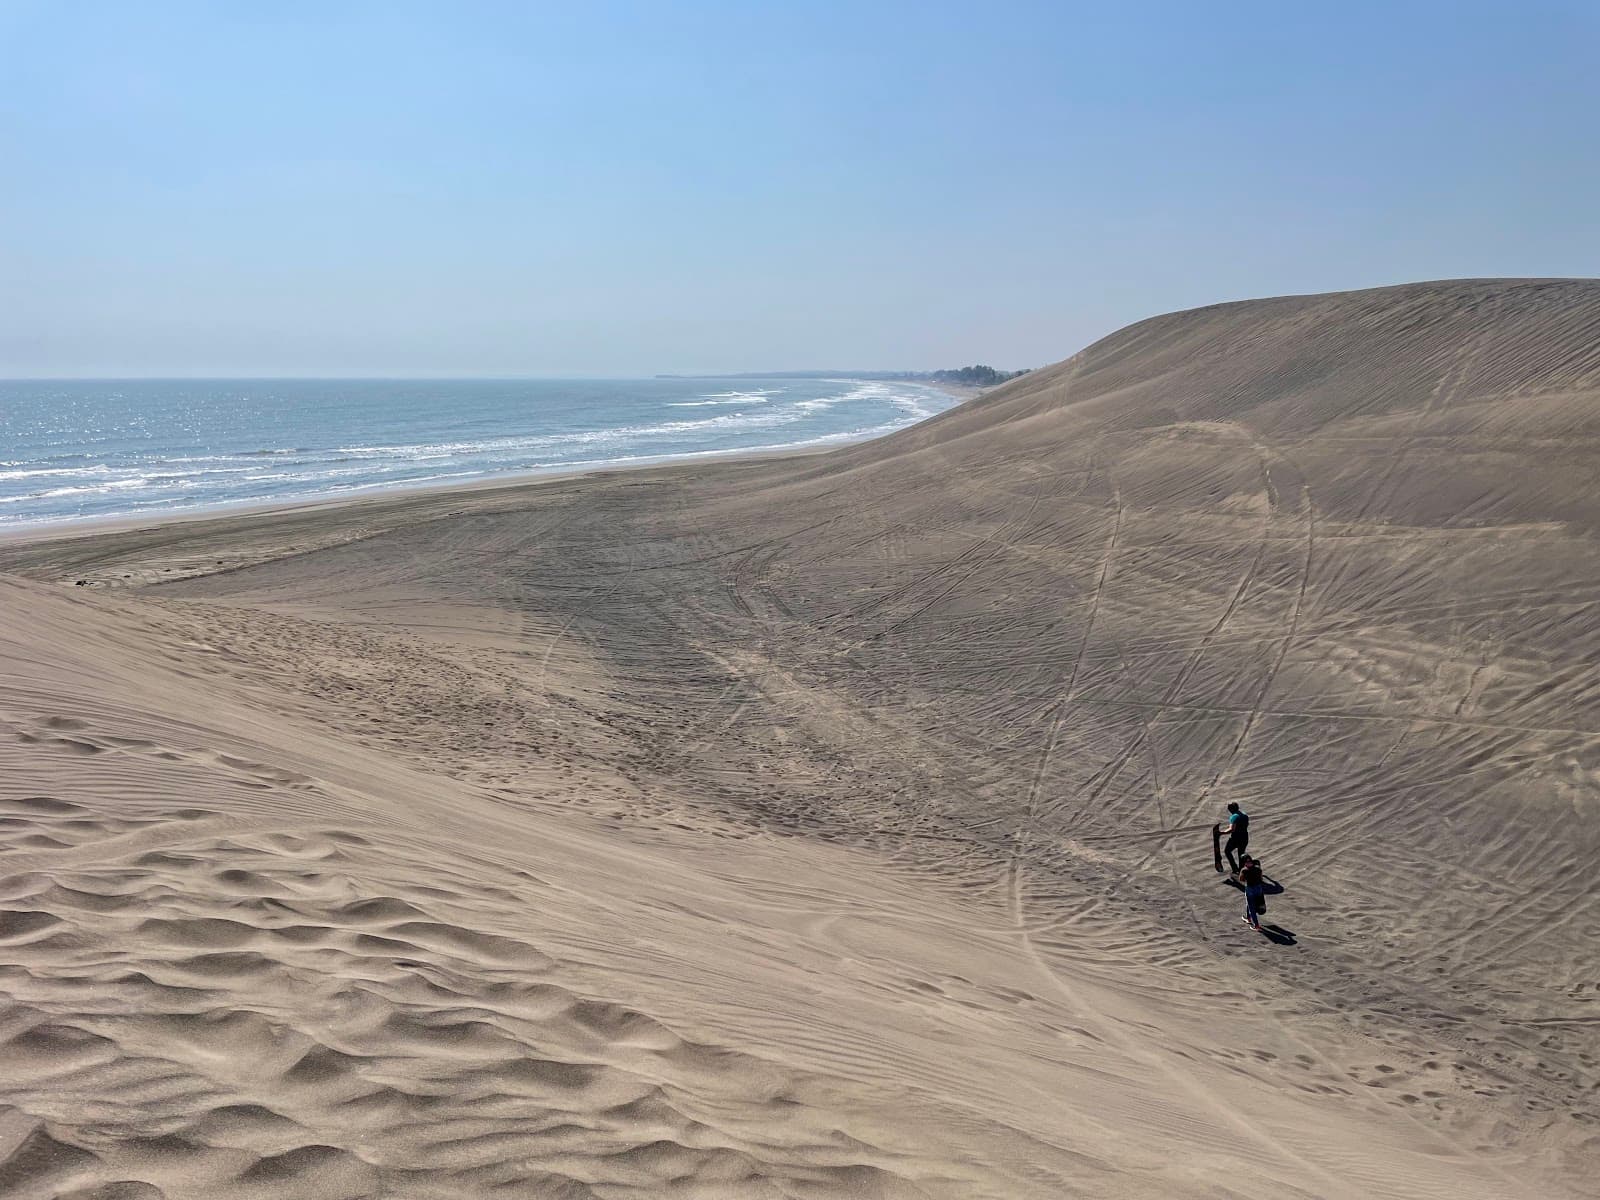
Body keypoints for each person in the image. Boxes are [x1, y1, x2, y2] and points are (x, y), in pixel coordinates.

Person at [1238, 855, 1266, 931]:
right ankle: (1248, 918)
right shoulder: (1258, 869)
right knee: (1254, 902)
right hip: (1258, 888)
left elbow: (1241, 879)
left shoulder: (1244, 870)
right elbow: (1261, 878)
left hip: (1250, 889)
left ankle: (1256, 925)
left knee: (1251, 907)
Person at [1222, 802, 1249, 875]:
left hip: (1235, 838)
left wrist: (1221, 833)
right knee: (1241, 854)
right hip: (1245, 837)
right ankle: (1242, 871)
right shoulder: (1245, 815)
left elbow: (1232, 829)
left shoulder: (1234, 816)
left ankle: (1235, 868)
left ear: (1230, 810)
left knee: (1227, 851)